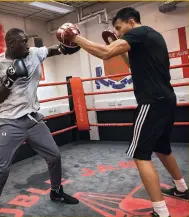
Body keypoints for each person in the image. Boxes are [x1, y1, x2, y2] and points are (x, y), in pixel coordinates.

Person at [58, 7, 189, 217]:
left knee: (140, 155)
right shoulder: (152, 36)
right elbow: (128, 62)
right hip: (166, 99)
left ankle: (161, 212)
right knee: (163, 148)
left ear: (130, 21)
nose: (118, 33)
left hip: (151, 102)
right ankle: (182, 188)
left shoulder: (137, 32)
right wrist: (115, 44)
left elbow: (105, 53)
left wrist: (76, 37)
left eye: (119, 28)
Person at [0, 28, 80, 217]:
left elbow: (53, 49)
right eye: (23, 42)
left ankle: (56, 191)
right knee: (2, 169)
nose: (27, 46)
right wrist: (10, 79)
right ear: (11, 44)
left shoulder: (33, 54)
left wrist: (69, 45)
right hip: (9, 122)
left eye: (27, 41)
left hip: (33, 119)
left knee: (54, 156)